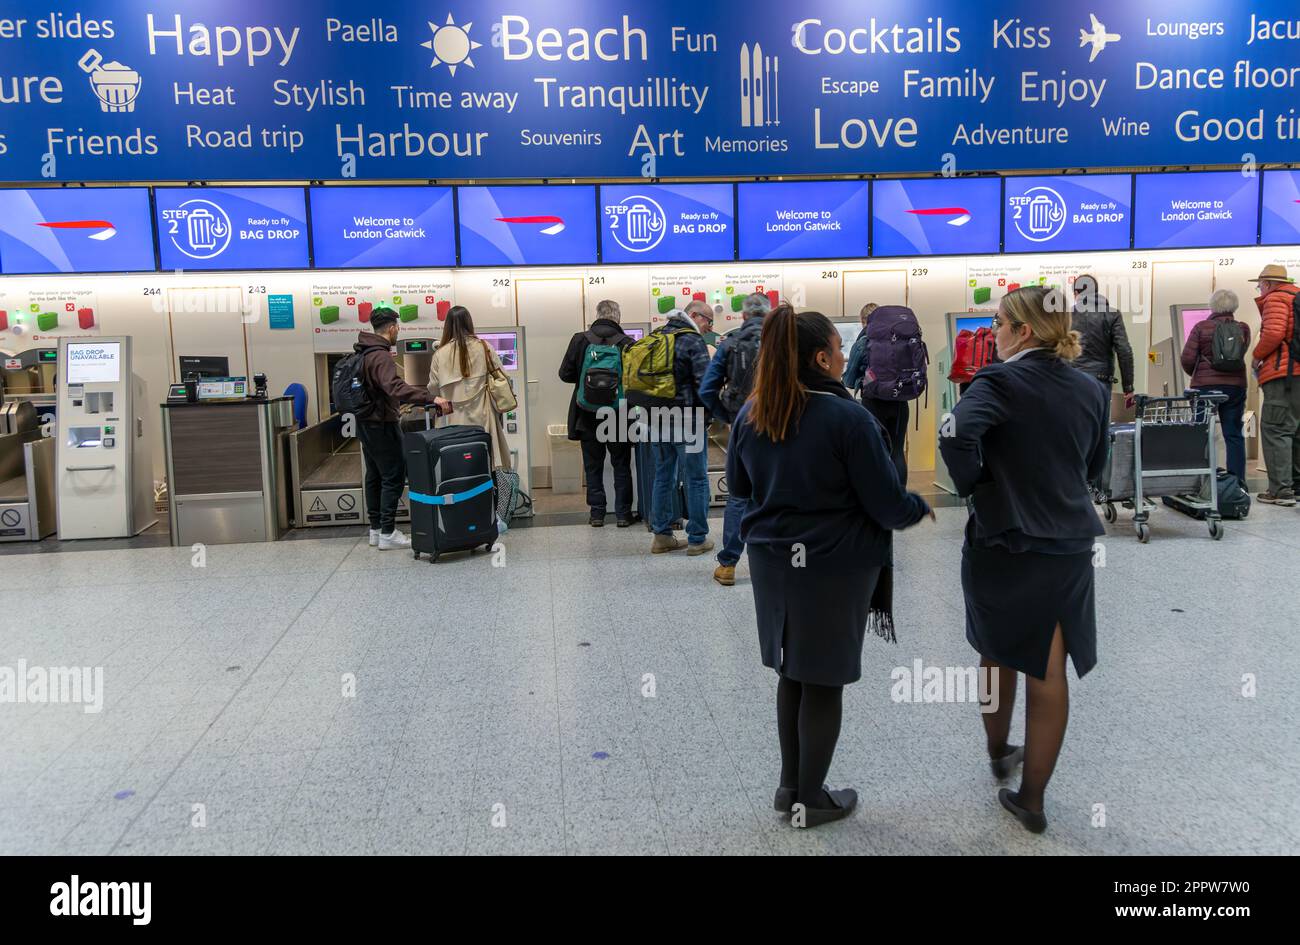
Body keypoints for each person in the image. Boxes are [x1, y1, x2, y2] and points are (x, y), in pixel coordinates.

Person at [727, 304, 932, 829]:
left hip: (773, 564)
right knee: (822, 681)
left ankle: (790, 786)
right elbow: (885, 503)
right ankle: (811, 799)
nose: (846, 359)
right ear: (821, 357)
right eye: (840, 351)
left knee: (792, 671)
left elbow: (742, 494)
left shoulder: (752, 415)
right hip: (833, 564)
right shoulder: (848, 418)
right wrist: (917, 507)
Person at [938, 286, 1109, 835]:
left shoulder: (999, 380)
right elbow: (1095, 462)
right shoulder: (1089, 388)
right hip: (1068, 543)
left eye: (1000, 324)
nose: (995, 333)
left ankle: (997, 749)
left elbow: (957, 434)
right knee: (1049, 666)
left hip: (1004, 539)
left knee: (996, 648)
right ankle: (1032, 800)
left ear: (1024, 331)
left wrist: (979, 486)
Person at [354, 307, 450, 550]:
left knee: (374, 475)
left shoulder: (365, 353)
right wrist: (431, 398)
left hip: (366, 422)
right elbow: (395, 387)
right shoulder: (381, 356)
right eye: (398, 327)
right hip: (382, 423)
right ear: (392, 327)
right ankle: (388, 531)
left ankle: (375, 529)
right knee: (393, 475)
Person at [699, 292, 770, 585]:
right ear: (769, 315)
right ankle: (770, 562)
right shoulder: (786, 344)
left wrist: (730, 417)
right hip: (781, 427)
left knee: (739, 494)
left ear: (743, 316)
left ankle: (728, 565)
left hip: (743, 428)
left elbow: (707, 390)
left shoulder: (729, 344)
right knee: (774, 492)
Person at [558, 299, 636, 527]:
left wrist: (587, 384)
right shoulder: (626, 343)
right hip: (618, 414)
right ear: (617, 317)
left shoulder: (580, 339)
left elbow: (564, 374)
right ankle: (623, 514)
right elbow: (632, 380)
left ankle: (597, 514)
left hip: (587, 413)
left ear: (597, 314)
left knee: (593, 465)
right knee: (621, 465)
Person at [649, 304, 713, 555]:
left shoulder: (656, 336)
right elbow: (705, 384)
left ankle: (661, 536)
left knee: (663, 476)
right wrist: (710, 416)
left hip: (656, 420)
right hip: (688, 421)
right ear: (694, 316)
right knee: (696, 478)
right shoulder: (692, 340)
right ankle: (697, 539)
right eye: (708, 321)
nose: (709, 327)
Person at [427, 306, 512, 477]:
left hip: (451, 421)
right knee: (487, 465)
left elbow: (433, 388)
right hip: (483, 418)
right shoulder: (484, 347)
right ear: (469, 323)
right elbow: (504, 377)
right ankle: (488, 501)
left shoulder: (440, 354)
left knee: (456, 467)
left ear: (448, 326)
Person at [1180, 289, 1251, 483]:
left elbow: (1187, 358)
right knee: (1234, 434)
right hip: (1235, 387)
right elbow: (1240, 354)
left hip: (1205, 389)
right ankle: (1237, 483)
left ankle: (1200, 480)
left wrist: (1198, 375)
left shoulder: (1201, 327)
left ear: (1212, 305)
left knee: (1201, 432)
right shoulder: (1243, 328)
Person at [1249, 264, 1300, 506]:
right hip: (1298, 374)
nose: (1259, 290)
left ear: (1268, 283)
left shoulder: (1275, 299)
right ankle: (1296, 486)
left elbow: (1274, 333)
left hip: (1283, 374)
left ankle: (1281, 491)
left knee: (1276, 428)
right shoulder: (1296, 296)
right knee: (1295, 429)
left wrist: (1256, 355)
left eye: (1260, 285)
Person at [1070, 274, 1135, 412]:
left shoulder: (1065, 315)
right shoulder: (1112, 314)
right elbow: (1124, 350)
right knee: (1101, 426)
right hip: (1101, 380)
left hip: (1071, 378)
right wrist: (1128, 387)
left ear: (1076, 293)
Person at [841, 302, 877, 392]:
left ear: (863, 321)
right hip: (900, 399)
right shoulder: (896, 340)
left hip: (873, 400)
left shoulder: (862, 343)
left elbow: (849, 381)